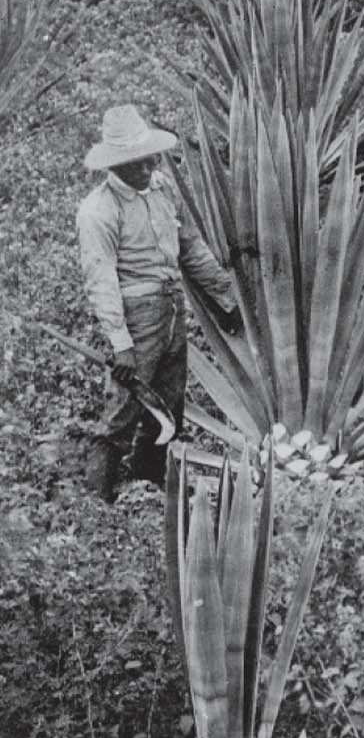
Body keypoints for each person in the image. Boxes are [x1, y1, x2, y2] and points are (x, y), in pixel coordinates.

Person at [74, 104, 243, 501]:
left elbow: (191, 248)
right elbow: (101, 282)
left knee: (169, 405)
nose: (145, 168)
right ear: (113, 166)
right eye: (133, 163)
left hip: (171, 308)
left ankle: (149, 487)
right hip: (136, 317)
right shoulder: (99, 211)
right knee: (123, 410)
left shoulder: (165, 188)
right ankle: (95, 505)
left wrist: (224, 295)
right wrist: (121, 344)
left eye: (147, 158)